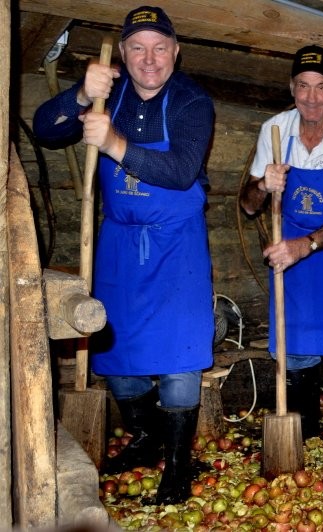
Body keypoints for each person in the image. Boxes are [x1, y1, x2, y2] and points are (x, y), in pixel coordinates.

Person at [33, 6, 215, 504]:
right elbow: (45, 128)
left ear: (176, 53)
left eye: (160, 48)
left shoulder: (190, 101)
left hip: (175, 243)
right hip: (118, 240)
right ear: (124, 55)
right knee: (115, 348)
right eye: (137, 47)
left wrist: (113, 142)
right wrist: (79, 94)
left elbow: (180, 171)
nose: (149, 58)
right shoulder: (107, 94)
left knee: (180, 353)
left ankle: (178, 470)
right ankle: (145, 436)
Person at [239, 45, 323, 440]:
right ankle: (306, 431)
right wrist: (264, 184)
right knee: (296, 342)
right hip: (290, 249)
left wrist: (305, 246)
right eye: (303, 86)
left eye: (320, 87)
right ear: (291, 88)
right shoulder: (274, 132)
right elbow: (248, 206)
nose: (311, 98)